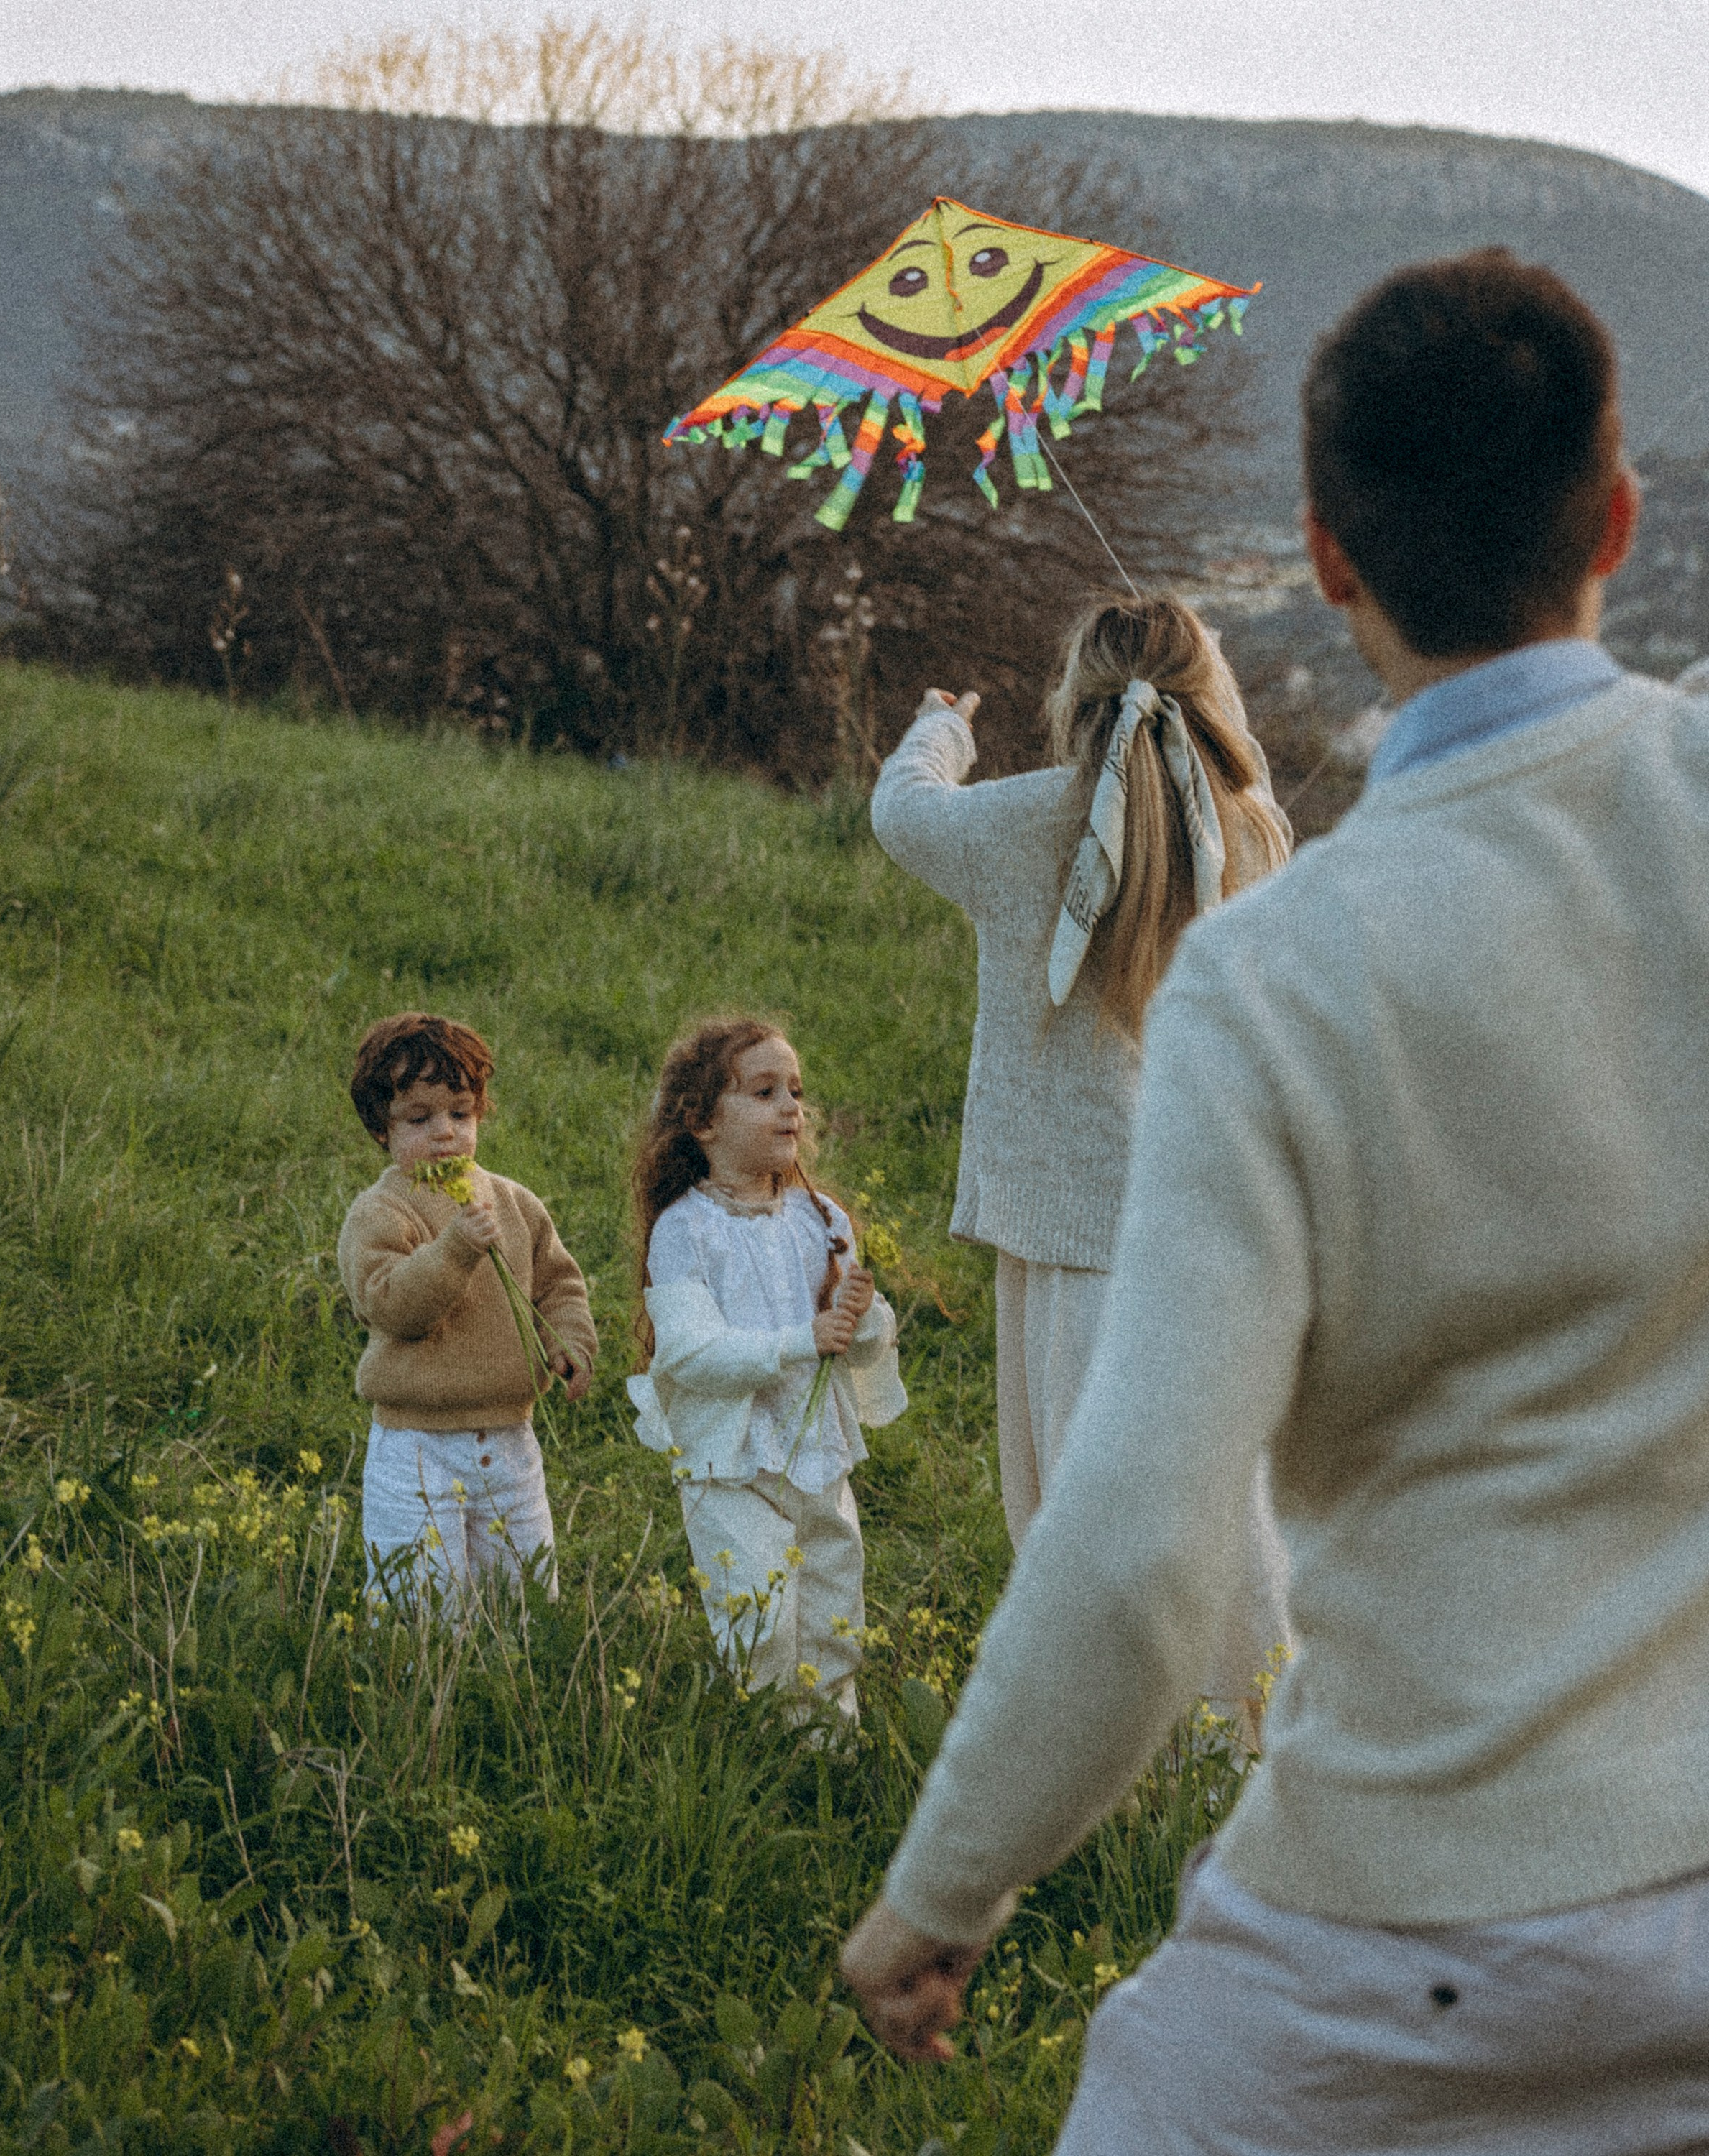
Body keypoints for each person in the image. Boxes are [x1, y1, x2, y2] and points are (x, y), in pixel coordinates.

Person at [840, 247, 1709, 2151]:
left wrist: (940, 1897)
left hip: (1397, 1919)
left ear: (1326, 556)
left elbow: (1144, 1557)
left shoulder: (1273, 974)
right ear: (1622, 520)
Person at [870, 591, 1292, 1723]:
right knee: (1219, 1488)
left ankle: (1138, 1746)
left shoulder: (1020, 824)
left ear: (1075, 699)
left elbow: (902, 812)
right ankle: (1247, 1719)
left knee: (1084, 1512)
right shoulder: (1249, 829)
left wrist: (942, 727)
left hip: (1071, 1227)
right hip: (1212, 1217)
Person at [627, 1018, 905, 1718]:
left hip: (818, 1454)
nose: (791, 1108)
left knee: (833, 1611)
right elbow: (689, 1352)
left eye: (796, 1091)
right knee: (760, 1617)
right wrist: (800, 1340)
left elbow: (868, 1343)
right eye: (764, 1091)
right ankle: (768, 1745)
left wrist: (862, 1316)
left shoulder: (823, 1217)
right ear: (701, 1122)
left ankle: (830, 1749)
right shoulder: (686, 1229)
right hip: (733, 1463)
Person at [337, 1012, 596, 1610]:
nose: (445, 1134)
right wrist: (453, 1251)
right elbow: (391, 1307)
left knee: (526, 1595)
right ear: (383, 1129)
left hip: (509, 1436)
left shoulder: (513, 1202)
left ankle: (520, 1679)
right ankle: (426, 1687)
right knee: (421, 1602)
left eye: (460, 1114)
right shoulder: (380, 1213)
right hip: (417, 1444)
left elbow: (558, 1282)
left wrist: (568, 1341)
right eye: (420, 1119)